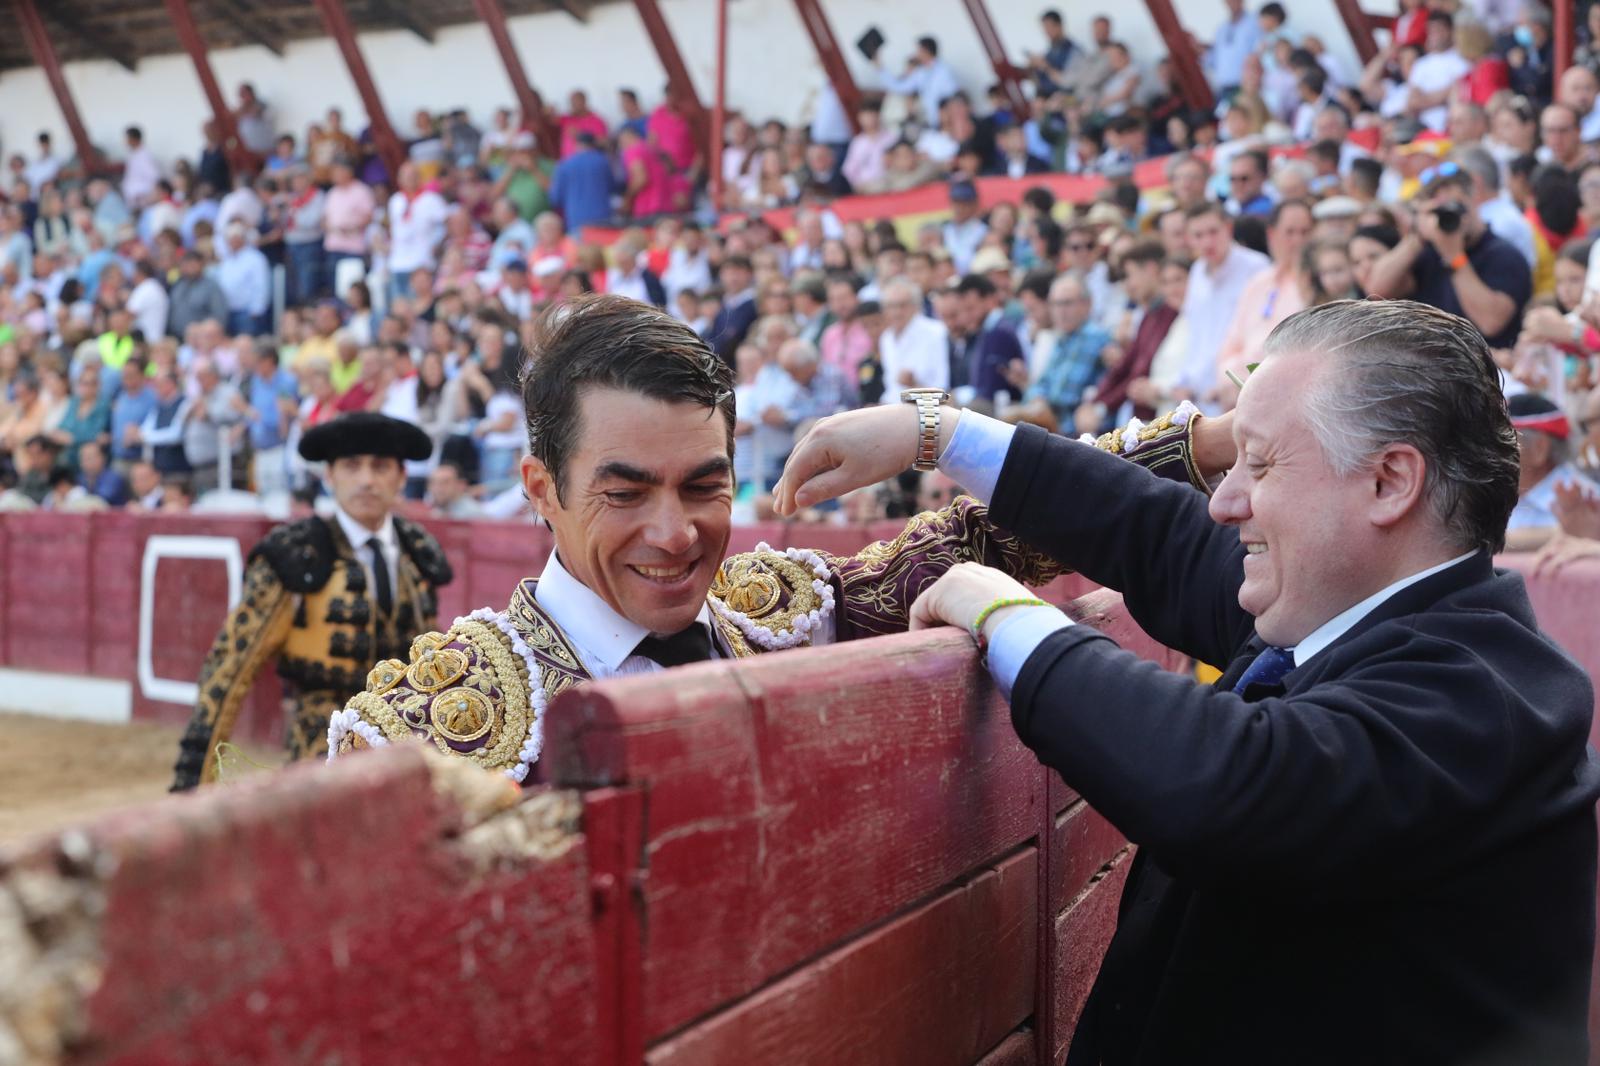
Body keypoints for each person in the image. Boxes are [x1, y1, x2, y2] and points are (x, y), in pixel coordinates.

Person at [773, 298, 1598, 1063]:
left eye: (1263, 467)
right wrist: (942, 433)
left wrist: (1002, 613)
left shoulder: (1492, 697)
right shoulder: (1353, 612)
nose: (1225, 501)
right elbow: (1150, 531)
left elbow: (1231, 784)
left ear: (1389, 483)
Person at [328, 295, 1223, 782]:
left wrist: (1218, 442)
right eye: (626, 492)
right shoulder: (416, 736)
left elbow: (1000, 534)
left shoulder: (784, 608)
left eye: (705, 485)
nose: (675, 534)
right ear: (541, 490)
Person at [171, 413, 453, 790]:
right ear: (330, 476)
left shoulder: (419, 554)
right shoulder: (293, 555)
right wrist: (192, 785)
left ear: (401, 477)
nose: (367, 480)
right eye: (352, 466)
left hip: (400, 758)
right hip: (316, 758)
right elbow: (228, 671)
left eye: (380, 467)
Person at [1365, 165, 1532, 349]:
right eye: (1438, 209)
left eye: (1454, 206)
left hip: (1487, 367)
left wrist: (1454, 256)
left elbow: (1490, 323)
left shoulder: (1503, 255)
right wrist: (1417, 236)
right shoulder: (1426, 250)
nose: (1447, 216)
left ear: (1473, 200)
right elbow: (1375, 292)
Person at [1506, 392, 1598, 549]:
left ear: (1539, 448)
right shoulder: (1491, 497)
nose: (1487, 453)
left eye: (1503, 441)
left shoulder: (1588, 501)